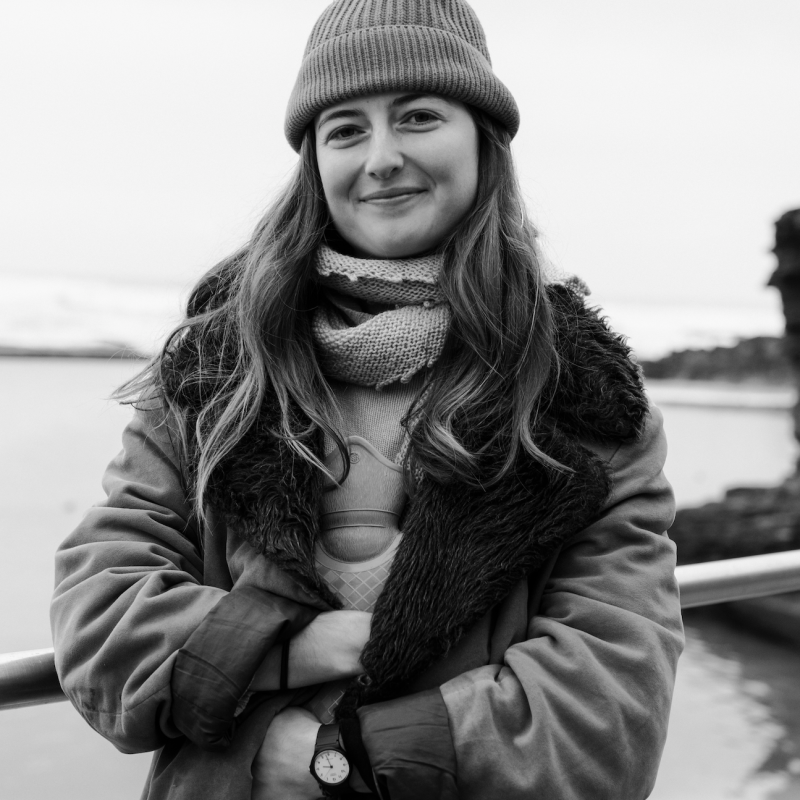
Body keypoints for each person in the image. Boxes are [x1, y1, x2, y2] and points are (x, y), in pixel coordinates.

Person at [50, 1, 684, 798]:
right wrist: (291, 646)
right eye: (345, 128)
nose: (381, 157)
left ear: (484, 137)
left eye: (418, 117)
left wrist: (338, 764)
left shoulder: (583, 395)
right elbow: (100, 606)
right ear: (313, 157)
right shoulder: (216, 369)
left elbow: (610, 705)